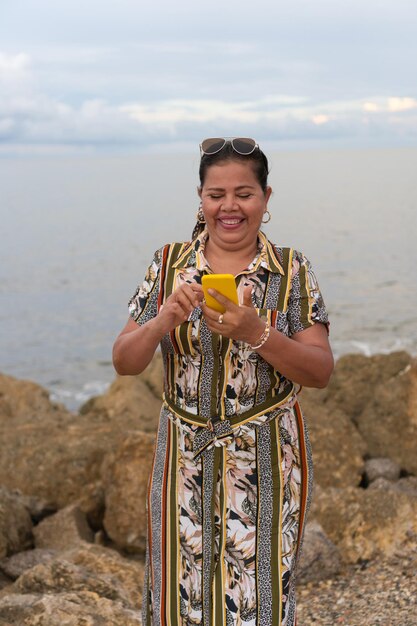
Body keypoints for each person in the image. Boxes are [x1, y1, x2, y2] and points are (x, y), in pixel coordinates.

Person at [112, 137, 333, 626]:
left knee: (259, 601)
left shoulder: (291, 271)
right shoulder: (168, 264)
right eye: (216, 195)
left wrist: (258, 333)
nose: (229, 206)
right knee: (179, 597)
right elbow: (125, 362)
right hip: (183, 461)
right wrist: (159, 323)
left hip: (267, 462)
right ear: (201, 197)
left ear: (266, 198)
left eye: (244, 193)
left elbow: (320, 371)